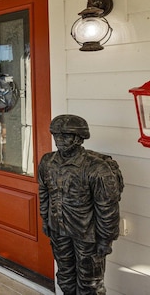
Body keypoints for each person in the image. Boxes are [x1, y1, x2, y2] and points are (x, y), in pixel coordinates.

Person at [38, 114, 123, 294]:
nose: (59, 140)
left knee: (90, 284)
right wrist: (45, 219)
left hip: (88, 236)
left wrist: (106, 239)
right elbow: (44, 192)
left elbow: (107, 208)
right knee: (65, 277)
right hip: (58, 231)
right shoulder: (47, 162)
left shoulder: (97, 168)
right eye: (56, 135)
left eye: (66, 135)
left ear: (79, 138)